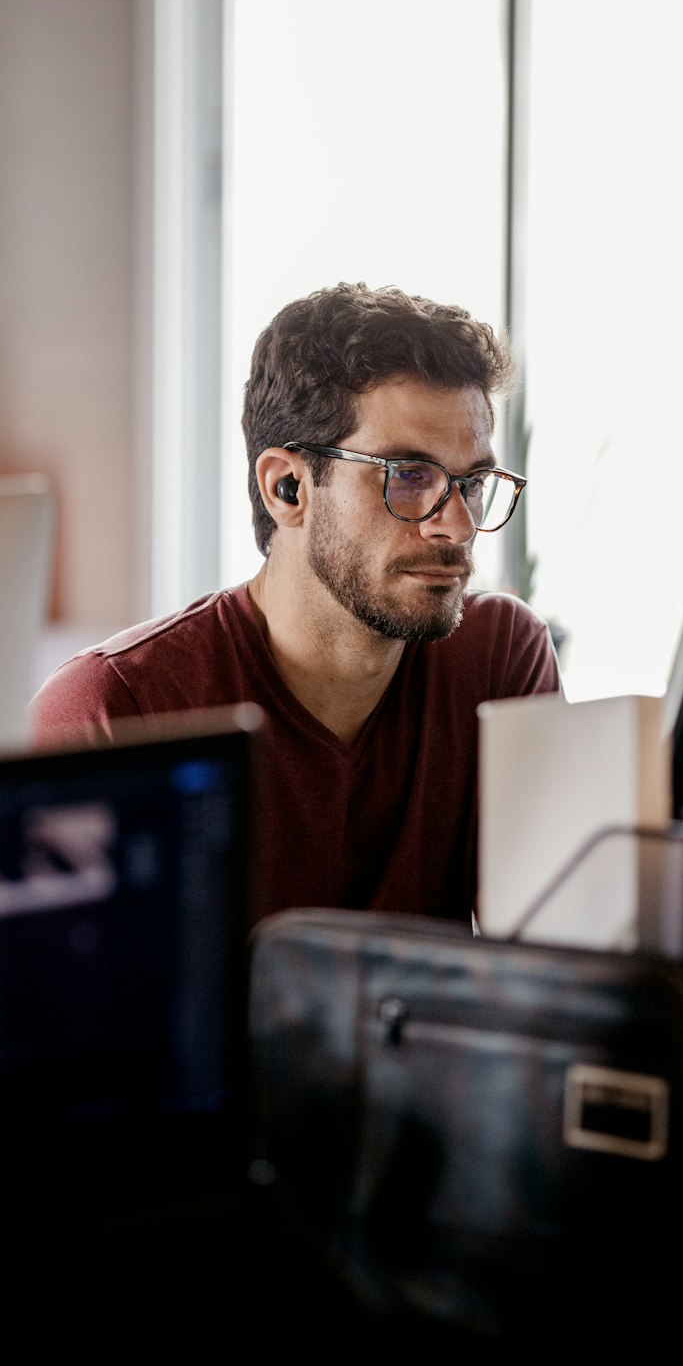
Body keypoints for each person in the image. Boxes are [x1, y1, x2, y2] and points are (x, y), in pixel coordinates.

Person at [30, 281, 558, 924]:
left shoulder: (498, 655)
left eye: (471, 484)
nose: (457, 526)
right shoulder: (116, 708)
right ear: (287, 488)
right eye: (409, 476)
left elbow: (556, 958)